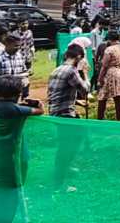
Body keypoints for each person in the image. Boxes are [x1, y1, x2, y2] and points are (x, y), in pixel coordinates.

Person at [0, 75, 42, 223]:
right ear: (16, 95)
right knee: (13, 191)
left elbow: (7, 106)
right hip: (13, 159)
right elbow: (39, 111)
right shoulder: (11, 109)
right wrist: (37, 104)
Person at [46, 44, 90, 188]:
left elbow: (58, 93)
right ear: (78, 57)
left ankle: (66, 168)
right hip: (64, 114)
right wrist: (85, 73)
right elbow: (85, 89)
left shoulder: (56, 70)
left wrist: (76, 102)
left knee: (76, 136)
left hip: (56, 111)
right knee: (66, 146)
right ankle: (59, 180)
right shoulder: (71, 71)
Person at [96, 31, 120, 121]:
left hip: (112, 73)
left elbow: (104, 65)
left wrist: (100, 78)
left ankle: (100, 119)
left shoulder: (109, 49)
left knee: (102, 97)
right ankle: (119, 119)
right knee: (118, 97)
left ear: (110, 39)